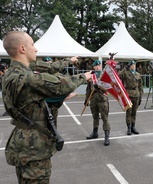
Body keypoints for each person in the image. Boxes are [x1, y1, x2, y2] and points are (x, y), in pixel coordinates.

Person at [2, 31, 92, 183]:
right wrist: (84, 77)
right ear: (22, 48)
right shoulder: (26, 77)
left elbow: (30, 103)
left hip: (24, 141)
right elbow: (61, 85)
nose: (35, 49)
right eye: (32, 44)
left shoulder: (11, 73)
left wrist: (57, 100)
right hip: (33, 146)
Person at [85, 60, 111, 146]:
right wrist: (86, 100)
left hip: (102, 99)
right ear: (94, 67)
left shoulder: (104, 75)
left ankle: (107, 136)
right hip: (93, 99)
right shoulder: (91, 76)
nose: (98, 67)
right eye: (96, 66)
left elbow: (107, 89)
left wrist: (99, 86)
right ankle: (95, 133)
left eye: (99, 65)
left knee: (104, 117)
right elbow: (88, 89)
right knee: (95, 117)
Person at [118, 60, 143, 135]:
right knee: (129, 112)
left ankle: (133, 127)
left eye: (134, 64)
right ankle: (128, 128)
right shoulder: (126, 73)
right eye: (132, 65)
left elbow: (140, 86)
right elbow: (119, 75)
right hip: (128, 95)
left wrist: (141, 96)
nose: (133, 66)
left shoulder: (138, 74)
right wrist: (125, 68)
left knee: (134, 112)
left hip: (136, 95)